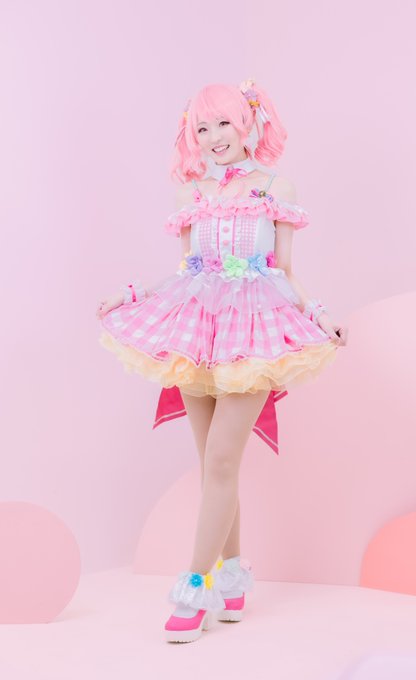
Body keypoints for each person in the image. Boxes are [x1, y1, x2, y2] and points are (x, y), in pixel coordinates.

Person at [96, 78, 348, 644]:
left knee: (222, 460)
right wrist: (132, 293)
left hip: (254, 327)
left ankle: (195, 586)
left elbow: (284, 270)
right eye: (202, 127)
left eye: (224, 123)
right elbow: (185, 269)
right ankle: (232, 577)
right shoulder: (192, 195)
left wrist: (320, 314)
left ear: (248, 122)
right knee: (213, 463)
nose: (214, 137)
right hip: (195, 326)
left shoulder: (275, 188)